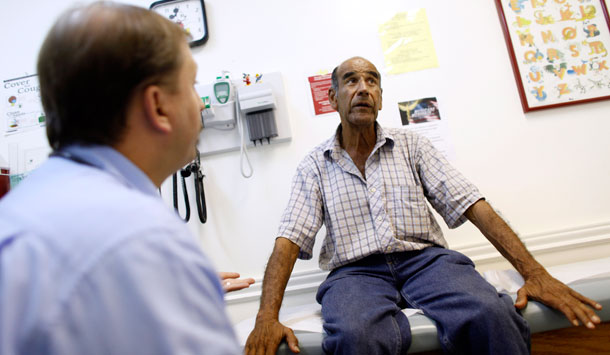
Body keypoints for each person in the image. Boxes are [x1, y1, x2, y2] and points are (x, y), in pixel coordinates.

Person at [245, 56, 603, 354]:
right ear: (333, 96)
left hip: (426, 262)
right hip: (355, 274)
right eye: (351, 81)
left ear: (381, 98)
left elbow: (473, 204)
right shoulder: (314, 165)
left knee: (491, 313)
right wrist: (266, 316)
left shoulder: (411, 145)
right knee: (357, 337)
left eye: (372, 81)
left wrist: (536, 274)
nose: (363, 88)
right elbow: (289, 238)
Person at [0, 2, 253, 354]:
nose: (201, 105)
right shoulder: (144, 241)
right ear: (158, 106)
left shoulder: (20, 210)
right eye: (192, 85)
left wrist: (166, 293)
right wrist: (168, 282)